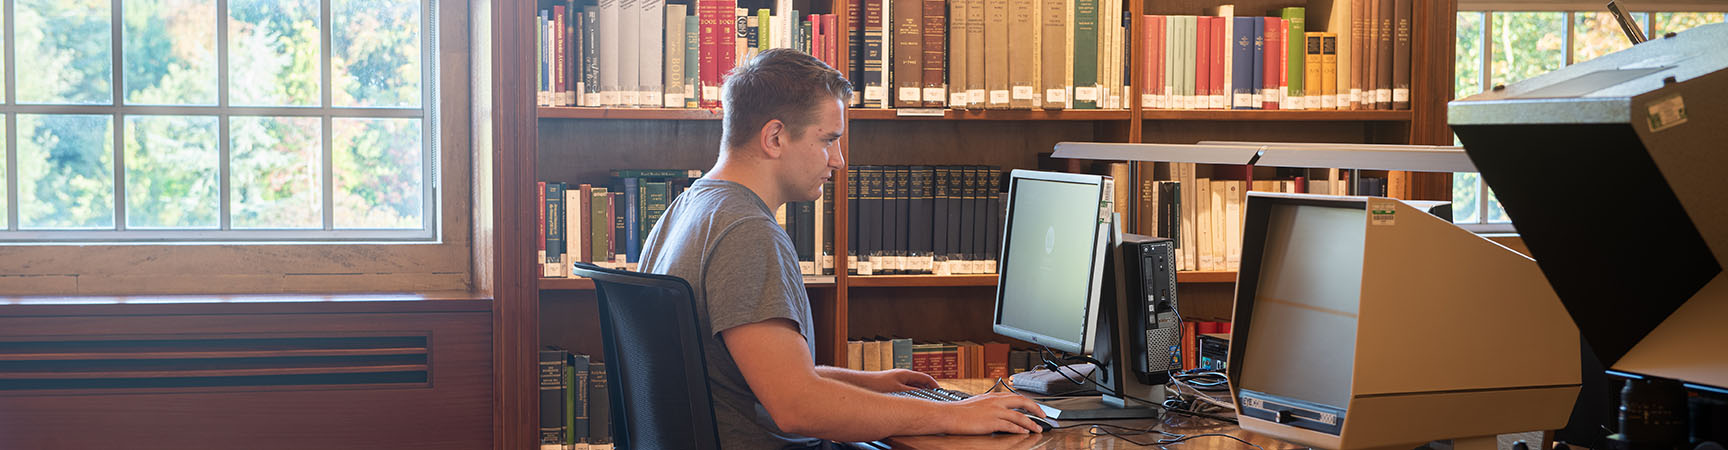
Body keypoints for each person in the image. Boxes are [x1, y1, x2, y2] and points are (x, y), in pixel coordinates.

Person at [638, 48, 1047, 448]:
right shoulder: (747, 232)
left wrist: (865, 383)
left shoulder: (688, 208)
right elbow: (797, 407)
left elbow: (744, 375)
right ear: (775, 137)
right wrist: (952, 415)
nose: (839, 160)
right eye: (829, 140)